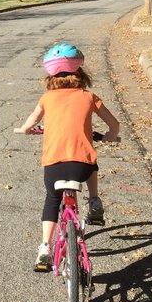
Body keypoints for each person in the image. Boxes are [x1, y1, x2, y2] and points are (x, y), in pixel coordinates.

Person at [18, 42, 120, 272]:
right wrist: (109, 136)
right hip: (81, 169)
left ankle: (45, 247)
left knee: (52, 200)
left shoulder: (47, 98)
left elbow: (29, 124)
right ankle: (94, 201)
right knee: (91, 160)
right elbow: (114, 125)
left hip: (54, 168)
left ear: (50, 75)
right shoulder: (89, 96)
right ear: (79, 72)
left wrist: (26, 130)